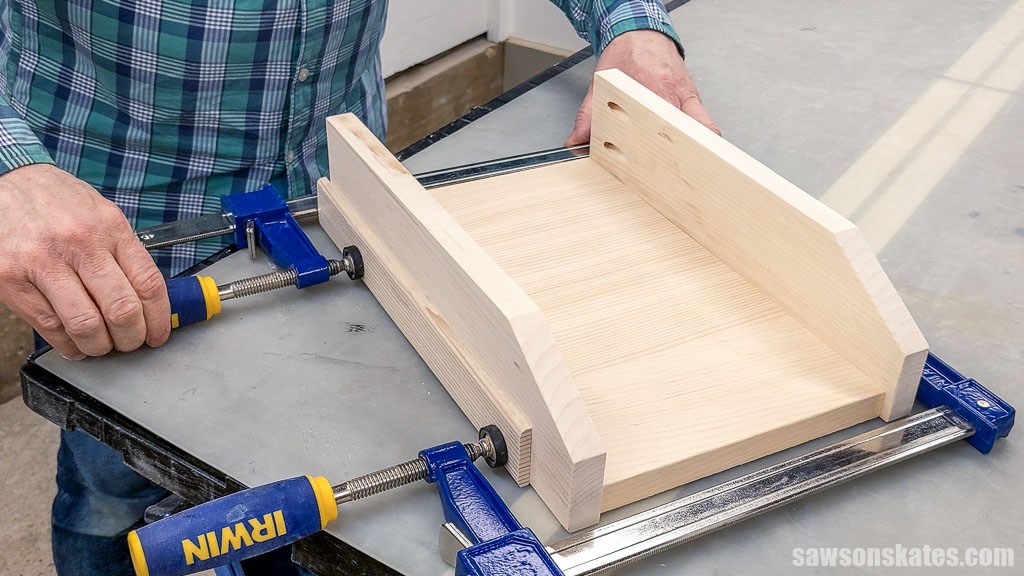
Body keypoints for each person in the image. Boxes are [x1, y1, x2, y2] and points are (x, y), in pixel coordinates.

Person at [0, 0, 718, 574]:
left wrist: (630, 22)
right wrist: (9, 169)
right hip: (107, 234)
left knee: (316, 449)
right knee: (110, 489)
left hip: (340, 208)